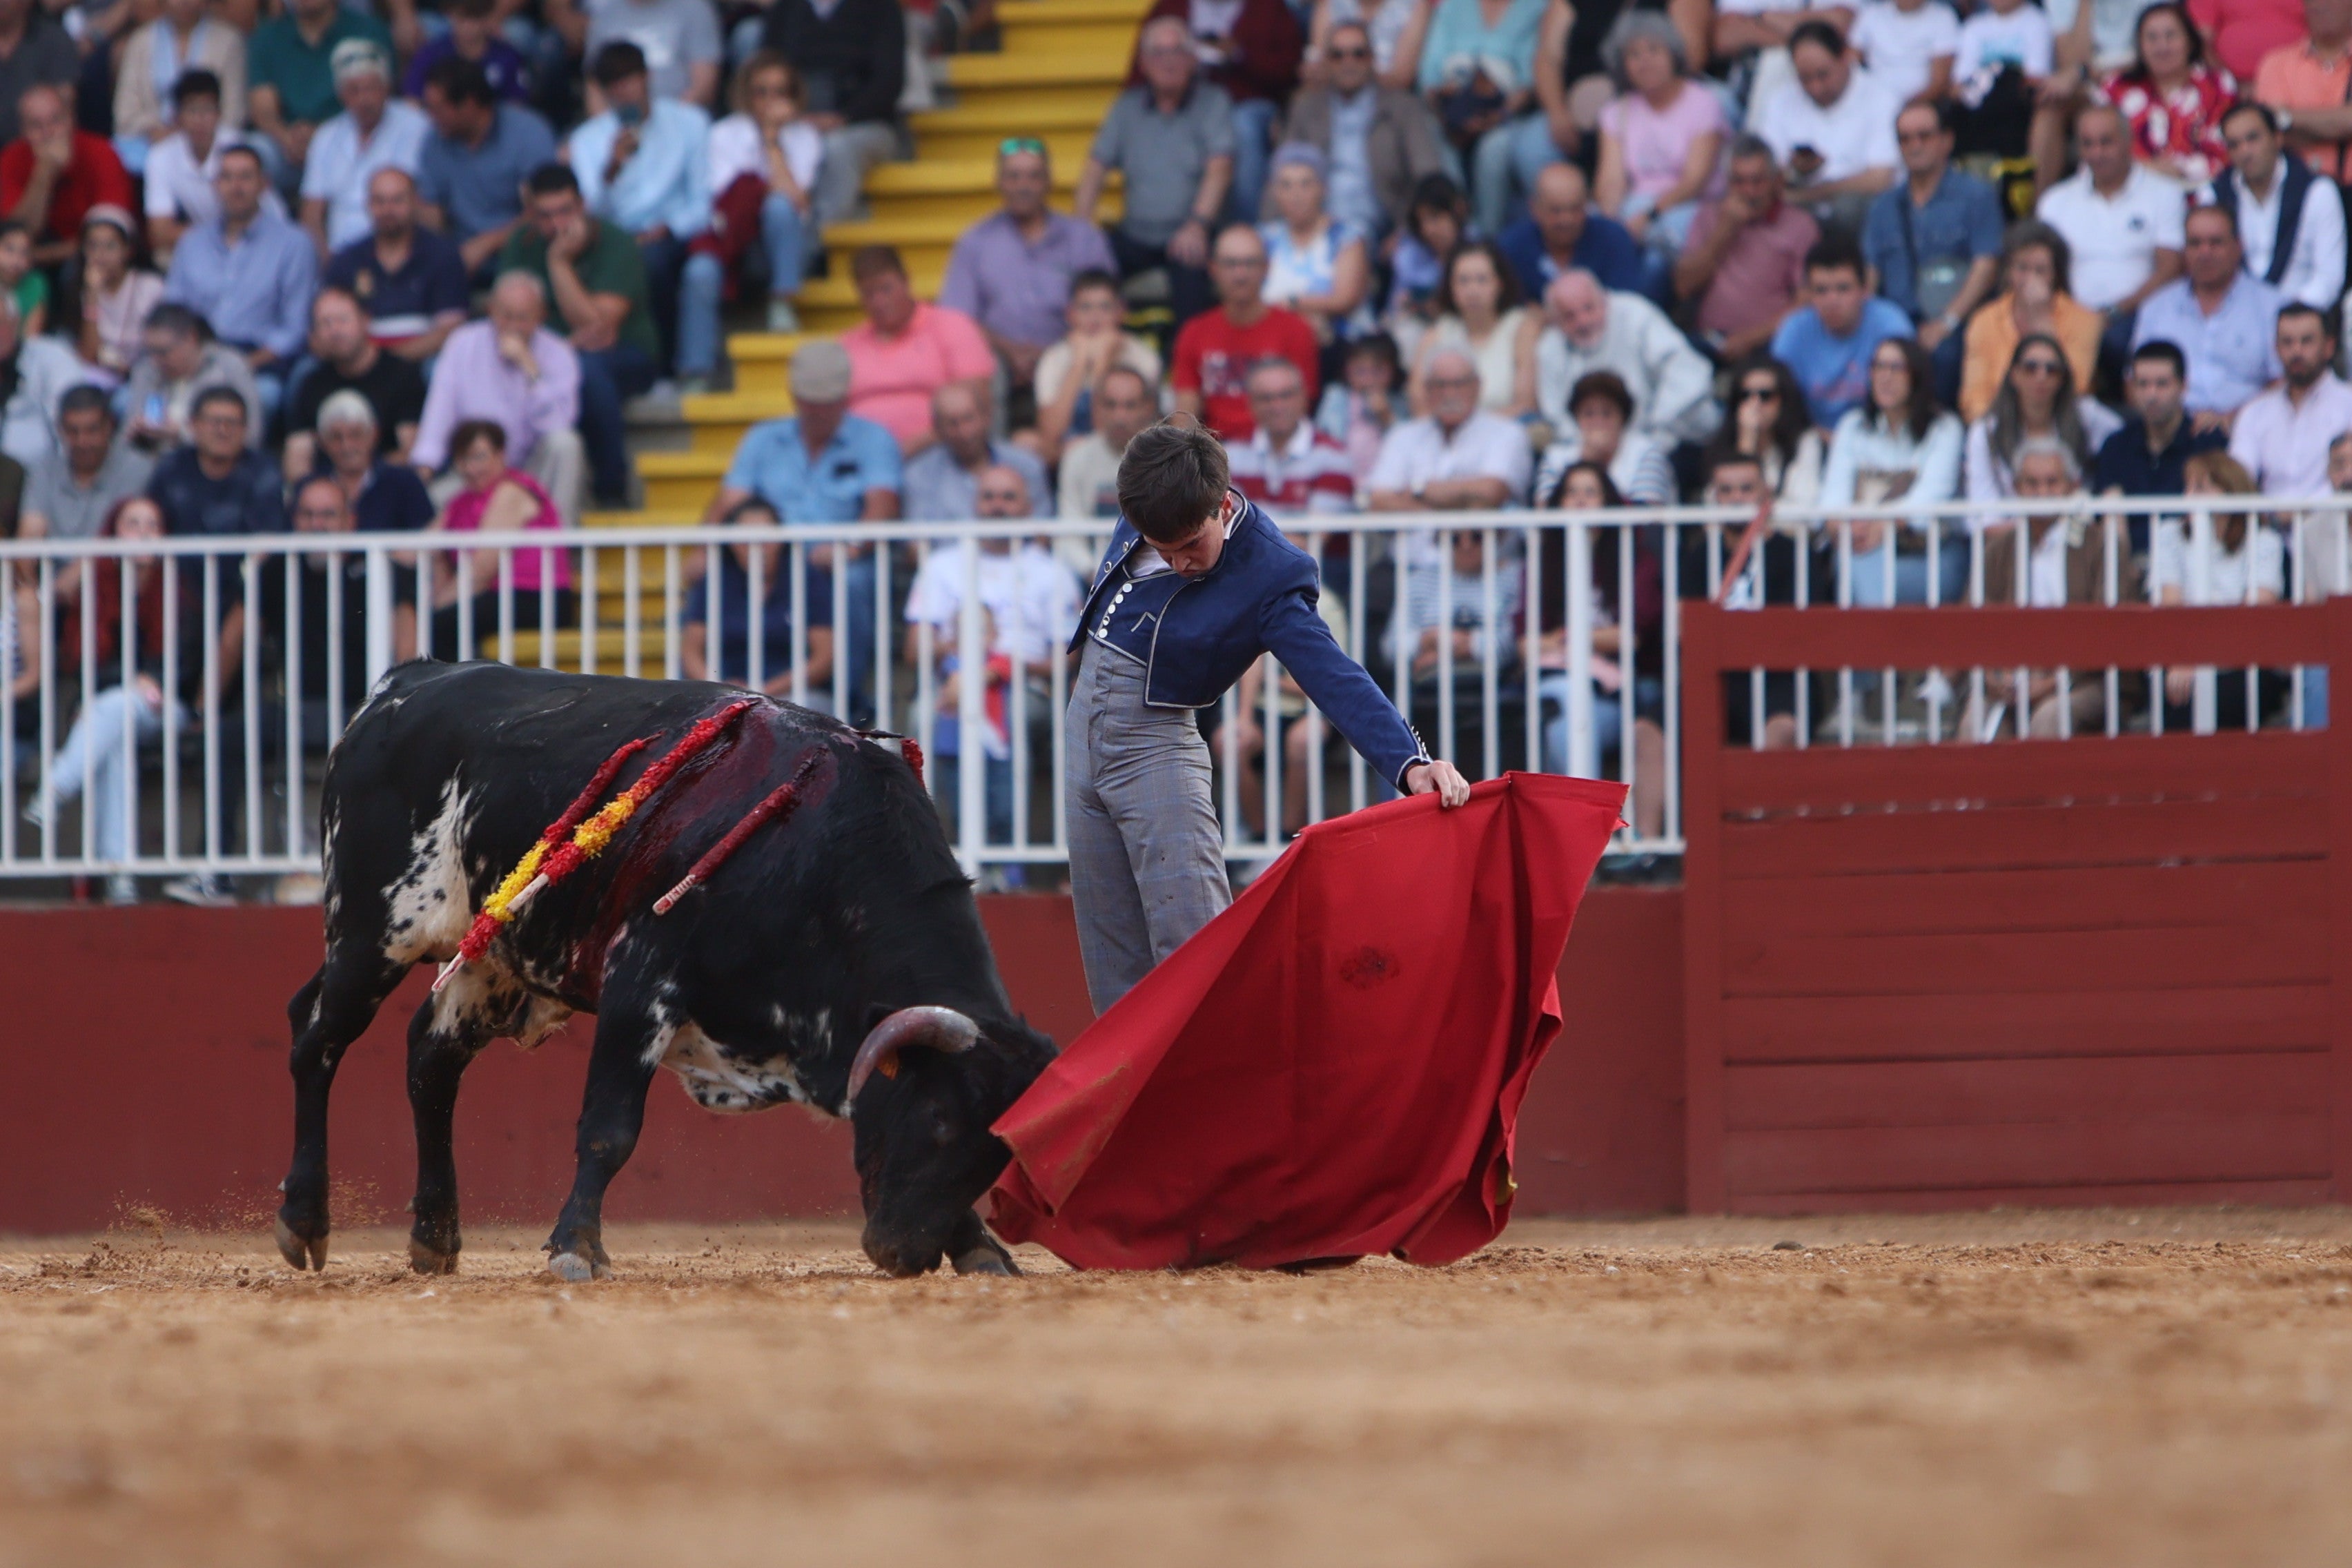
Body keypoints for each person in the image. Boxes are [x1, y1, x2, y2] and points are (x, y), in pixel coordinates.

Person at [1064, 418, 1471, 1012]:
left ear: (1223, 506)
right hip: (1083, 724)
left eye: (1190, 547)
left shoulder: (1271, 572)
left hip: (1157, 742)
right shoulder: (1156, 483)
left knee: (1197, 954)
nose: (1177, 563)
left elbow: (1333, 673)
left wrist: (1411, 763)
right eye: (1162, 548)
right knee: (1111, 960)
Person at [23, 495, 227, 901]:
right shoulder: (98, 590)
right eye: (132, 525)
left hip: (168, 707)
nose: (143, 535)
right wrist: (130, 681)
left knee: (119, 706)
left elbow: (182, 665)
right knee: (116, 725)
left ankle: (58, 787)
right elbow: (84, 665)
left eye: (152, 525)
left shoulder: (181, 588)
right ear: (113, 534)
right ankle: (121, 876)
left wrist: (143, 681)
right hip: (112, 712)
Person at [703, 340, 901, 714]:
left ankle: (849, 697)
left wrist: (850, 547)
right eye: (809, 401)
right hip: (771, 557)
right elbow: (729, 502)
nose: (817, 411)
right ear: (795, 396)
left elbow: (883, 505)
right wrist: (702, 552)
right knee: (713, 577)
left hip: (837, 558)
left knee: (854, 581)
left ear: (845, 398)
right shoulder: (763, 438)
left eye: (825, 402)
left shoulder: (873, 439)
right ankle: (712, 695)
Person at [905, 461, 1079, 881]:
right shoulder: (943, 564)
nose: (997, 506)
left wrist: (1005, 669)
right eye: (989, 497)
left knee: (1012, 715)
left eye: (1008, 497)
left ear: (1028, 507)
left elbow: (1068, 657)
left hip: (1027, 688)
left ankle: (1007, 856)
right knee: (922, 716)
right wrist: (962, 659)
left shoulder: (1051, 571)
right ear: (974, 504)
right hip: (953, 685)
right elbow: (914, 648)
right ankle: (953, 849)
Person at [498, 161, 658, 508]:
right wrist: (563, 346)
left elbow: (599, 330)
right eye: (545, 215)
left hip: (626, 354)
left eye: (565, 211)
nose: (557, 224)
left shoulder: (615, 242)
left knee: (587, 371)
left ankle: (610, 489)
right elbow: (506, 319)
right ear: (530, 214)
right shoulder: (521, 245)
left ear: (582, 205)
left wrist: (559, 263)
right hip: (545, 353)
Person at [1966, 440, 2140, 741]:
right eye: (2031, 484)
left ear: (2073, 486)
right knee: (1975, 724)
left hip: (2086, 680)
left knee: (2048, 719)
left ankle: (2050, 791)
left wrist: (2049, 684)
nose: (2042, 493)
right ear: (2017, 488)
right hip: (2012, 679)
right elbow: (1973, 624)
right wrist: (1993, 677)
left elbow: (2107, 634)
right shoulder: (1999, 549)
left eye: (2052, 482)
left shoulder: (2101, 545)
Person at [1079, 16, 1237, 329]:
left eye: (1177, 52)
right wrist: (1082, 225)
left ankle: (1184, 367)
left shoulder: (1213, 102)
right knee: (1086, 266)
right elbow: (1095, 167)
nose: (1169, 61)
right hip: (1135, 233)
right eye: (1158, 53)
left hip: (1188, 232)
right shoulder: (1126, 107)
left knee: (1193, 276)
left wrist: (1198, 225)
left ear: (1192, 60)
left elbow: (1221, 167)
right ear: (1144, 63)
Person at [1534, 460, 1667, 828]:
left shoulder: (1632, 557)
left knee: (1567, 723)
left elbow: (1631, 634)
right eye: (1571, 493)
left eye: (1590, 492)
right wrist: (1588, 641)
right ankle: (1591, 834)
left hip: (1614, 693)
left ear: (1608, 502)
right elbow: (1524, 642)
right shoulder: (1543, 558)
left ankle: (1584, 834)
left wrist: (1565, 640)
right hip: (1552, 687)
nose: (1579, 501)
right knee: (1562, 712)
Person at [569, 41, 711, 382]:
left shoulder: (690, 123)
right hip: (613, 240)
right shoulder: (587, 140)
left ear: (646, 78)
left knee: (656, 263)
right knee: (636, 260)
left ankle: (670, 367)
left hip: (676, 233)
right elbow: (588, 215)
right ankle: (654, 369)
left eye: (629, 80)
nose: (624, 92)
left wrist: (669, 228)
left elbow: (703, 201)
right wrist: (612, 168)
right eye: (614, 86)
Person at [939, 138, 1116, 396]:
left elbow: (1107, 307)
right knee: (977, 363)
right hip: (999, 359)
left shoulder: (1083, 237)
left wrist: (1053, 354)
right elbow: (958, 319)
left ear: (1048, 182)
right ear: (999, 182)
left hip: (1073, 353)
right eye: (1014, 177)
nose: (1023, 186)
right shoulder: (975, 242)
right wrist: (1011, 351)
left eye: (1034, 176)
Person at [410, 272, 586, 524]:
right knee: (429, 500)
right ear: (491, 310)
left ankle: (558, 545)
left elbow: (558, 425)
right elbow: (440, 412)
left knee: (566, 444)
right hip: (475, 471)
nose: (512, 325)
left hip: (533, 471)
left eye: (522, 317)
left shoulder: (559, 353)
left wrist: (530, 369)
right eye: (505, 315)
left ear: (541, 315)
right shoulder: (463, 343)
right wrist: (424, 467)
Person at [161, 144, 317, 419]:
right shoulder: (191, 243)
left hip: (259, 363)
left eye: (246, 177)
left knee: (265, 396)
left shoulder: (293, 244)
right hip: (195, 359)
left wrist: (241, 364)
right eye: (227, 178)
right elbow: (172, 315)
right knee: (128, 402)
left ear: (264, 184)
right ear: (215, 185)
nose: (236, 187)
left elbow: (294, 329)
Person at [1860, 101, 2004, 400]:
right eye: (1905, 139)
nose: (1915, 146)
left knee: (1945, 357)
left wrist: (1946, 323)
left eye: (1924, 136)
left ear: (1946, 141)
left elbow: (1986, 267)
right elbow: (1870, 276)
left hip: (1957, 321)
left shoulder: (1976, 195)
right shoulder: (1882, 206)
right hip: (1896, 323)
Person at [2034, 102, 2186, 366]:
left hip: (2139, 315)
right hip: (2068, 316)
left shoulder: (2164, 194)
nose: (2097, 153)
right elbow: (2039, 269)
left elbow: (2170, 269)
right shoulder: (2055, 201)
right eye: (2088, 144)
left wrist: (2115, 312)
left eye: (2106, 142)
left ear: (2129, 142)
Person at [1820, 335, 1966, 606]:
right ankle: (1876, 639)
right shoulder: (1852, 426)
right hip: (1859, 546)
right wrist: (1852, 530)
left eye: (1896, 368)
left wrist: (1885, 525)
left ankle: (1871, 641)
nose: (1885, 377)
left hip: (1929, 554)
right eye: (1879, 367)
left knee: (1866, 573)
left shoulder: (1944, 428)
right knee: (1858, 563)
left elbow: (1928, 501)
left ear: (1917, 375)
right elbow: (1833, 500)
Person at [1137, 0, 1304, 226]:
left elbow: (1289, 70)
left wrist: (1239, 54)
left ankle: (1247, 231)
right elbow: (1141, 66)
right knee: (1156, 121)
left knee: (1242, 127)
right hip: (1185, 104)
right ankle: (1163, 227)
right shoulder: (1171, 7)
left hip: (1246, 105)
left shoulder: (1267, 7)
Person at [1277, 19, 1445, 242]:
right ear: (1326, 62)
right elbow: (1281, 173)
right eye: (1338, 55)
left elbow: (1428, 175)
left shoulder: (1403, 107)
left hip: (1383, 225)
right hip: (1313, 221)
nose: (1349, 62)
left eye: (1359, 54)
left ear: (1373, 59)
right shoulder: (1306, 108)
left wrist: (1407, 231)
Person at [688, 51, 819, 335]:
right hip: (737, 238)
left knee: (780, 208)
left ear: (793, 96)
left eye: (780, 92)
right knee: (699, 270)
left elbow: (798, 201)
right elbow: (728, 197)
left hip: (788, 242)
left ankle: (782, 300)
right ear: (747, 95)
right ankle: (696, 372)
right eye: (761, 92)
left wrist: (772, 140)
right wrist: (768, 185)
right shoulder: (723, 134)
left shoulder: (805, 136)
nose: (770, 101)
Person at [2156, 449, 2287, 731]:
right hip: (2184, 657)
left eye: (2200, 488)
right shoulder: (2169, 535)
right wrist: (2186, 660)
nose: (2188, 498)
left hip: (2243, 661)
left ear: (2231, 492)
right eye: (2187, 487)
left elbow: (2254, 618)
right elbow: (2171, 608)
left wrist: (2200, 661)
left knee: (2231, 696)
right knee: (2172, 696)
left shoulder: (2264, 542)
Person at [423, 418, 574, 653]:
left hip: (536, 597)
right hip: (498, 596)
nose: (471, 468)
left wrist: (434, 609)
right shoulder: (461, 502)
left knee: (442, 624)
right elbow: (422, 548)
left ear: (500, 454)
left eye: (479, 457)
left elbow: (481, 571)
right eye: (463, 459)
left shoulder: (511, 491)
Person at [1591, 10, 1725, 257]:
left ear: (1672, 54)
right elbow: (1611, 180)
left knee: (1657, 253)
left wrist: (1648, 217)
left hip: (1687, 207)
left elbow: (1695, 180)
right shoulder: (1615, 112)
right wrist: (1612, 225)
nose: (1645, 61)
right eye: (1634, 54)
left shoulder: (1704, 103)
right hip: (1634, 206)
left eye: (1654, 50)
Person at [757, 0, 903, 227]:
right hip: (793, 122)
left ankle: (821, 245)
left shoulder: (881, 7)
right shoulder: (786, 9)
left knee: (837, 149)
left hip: (863, 125)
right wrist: (789, 113)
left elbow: (889, 83)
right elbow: (765, 69)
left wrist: (842, 118)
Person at [1675, 135, 1818, 365]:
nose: (1749, 191)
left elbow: (1806, 302)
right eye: (1739, 182)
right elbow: (1684, 287)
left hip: (1770, 344)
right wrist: (1724, 231)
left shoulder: (1800, 226)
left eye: (1758, 181)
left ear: (1776, 181)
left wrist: (1749, 339)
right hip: (1709, 342)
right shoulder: (1707, 217)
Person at [839, 245, 994, 456]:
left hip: (941, 452)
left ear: (906, 280)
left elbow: (975, 408)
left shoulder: (952, 326)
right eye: (869, 294)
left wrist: (904, 450)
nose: (879, 302)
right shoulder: (847, 344)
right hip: (861, 457)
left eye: (886, 289)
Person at [2132, 205, 2286, 418]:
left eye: (2216, 243)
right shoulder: (2156, 308)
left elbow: (2284, 383)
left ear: (2238, 247)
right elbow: (2132, 382)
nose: (2205, 253)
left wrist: (2231, 419)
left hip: (2247, 431)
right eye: (2195, 244)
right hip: (2173, 430)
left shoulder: (2271, 307)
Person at [1172, 224, 1322, 440]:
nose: (1240, 274)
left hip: (1277, 451)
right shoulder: (1194, 332)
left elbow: (1300, 409)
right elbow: (1184, 416)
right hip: (1215, 456)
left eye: (1250, 263)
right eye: (1230, 264)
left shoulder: (1296, 330)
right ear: (1213, 269)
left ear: (1267, 268)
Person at [1534, 267, 1718, 442]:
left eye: (1589, 308)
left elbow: (1681, 371)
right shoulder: (1550, 346)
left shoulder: (1635, 314)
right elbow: (1555, 413)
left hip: (1666, 431)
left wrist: (1650, 430)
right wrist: (1593, 444)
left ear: (1605, 299)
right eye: (1569, 316)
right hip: (1590, 446)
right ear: (1556, 321)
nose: (1583, 322)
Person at [416, 55, 559, 280]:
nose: (431, 118)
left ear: (469, 104)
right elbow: (430, 209)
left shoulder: (528, 133)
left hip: (524, 256)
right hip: (460, 259)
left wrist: (487, 243)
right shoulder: (434, 141)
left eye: (438, 109)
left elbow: (546, 209)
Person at [1752, 20, 1901, 235]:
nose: (1815, 87)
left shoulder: (1882, 99)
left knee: (1848, 209)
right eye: (1805, 78)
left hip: (1856, 213)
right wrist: (1797, 171)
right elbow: (1766, 170)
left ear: (1846, 57)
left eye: (1823, 75)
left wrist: (1810, 194)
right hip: (1798, 206)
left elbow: (1881, 178)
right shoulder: (1781, 101)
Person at [2199, 101, 2348, 313]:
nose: (2245, 151)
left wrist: (2283, 317)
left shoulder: (2317, 191)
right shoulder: (2214, 195)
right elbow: (2208, 271)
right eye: (2234, 144)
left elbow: (2329, 279)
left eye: (2253, 138)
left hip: (2301, 319)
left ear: (2277, 138)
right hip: (2235, 318)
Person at [679, 495, 835, 698]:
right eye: (745, 540)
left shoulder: (806, 579)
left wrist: (765, 692)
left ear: (780, 540)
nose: (756, 548)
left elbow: (823, 658)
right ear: (732, 545)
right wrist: (722, 689)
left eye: (765, 539)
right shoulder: (715, 581)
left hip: (793, 696)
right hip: (723, 697)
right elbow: (691, 651)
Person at [1417, 0, 1549, 236]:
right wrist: (1450, 115)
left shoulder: (1535, 8)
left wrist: (1494, 117)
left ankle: (1489, 238)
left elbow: (1530, 80)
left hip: (1505, 113)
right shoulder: (1452, 7)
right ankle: (1457, 225)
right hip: (1451, 110)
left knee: (1495, 147)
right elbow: (1429, 75)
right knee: (1430, 131)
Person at [1964, 330, 2121, 520]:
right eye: (2031, 368)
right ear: (2014, 374)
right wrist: (2039, 533)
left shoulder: (2086, 415)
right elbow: (1984, 515)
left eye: (2051, 370)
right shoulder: (1985, 432)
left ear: (2062, 378)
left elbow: (2125, 442)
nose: (2041, 376)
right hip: (2011, 539)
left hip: (2076, 537)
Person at [1957, 221, 2103, 424]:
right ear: (2008, 271)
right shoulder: (1983, 320)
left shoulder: (2086, 321)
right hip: (1999, 424)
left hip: (2061, 423)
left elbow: (2077, 386)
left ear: (2056, 275)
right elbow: (1973, 396)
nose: (2030, 279)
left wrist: (2043, 321)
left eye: (2040, 270)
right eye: (2022, 268)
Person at [298, 40, 430, 259]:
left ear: (386, 87)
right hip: (340, 256)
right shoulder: (327, 135)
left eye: (372, 88)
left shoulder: (416, 125)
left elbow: (423, 203)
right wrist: (328, 264)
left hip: (399, 250)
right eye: (354, 90)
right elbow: (312, 213)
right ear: (341, 95)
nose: (364, 99)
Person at [322, 168, 470, 362]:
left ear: (416, 202)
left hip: (423, 361)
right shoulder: (348, 259)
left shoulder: (442, 255)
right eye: (380, 201)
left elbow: (450, 329)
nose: (388, 210)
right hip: (357, 362)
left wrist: (387, 363)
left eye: (397, 200)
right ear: (368, 205)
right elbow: (326, 323)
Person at [248, 0, 395, 193]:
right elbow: (263, 110)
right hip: (289, 145)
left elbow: (376, 98)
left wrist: (321, 137)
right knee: (256, 153)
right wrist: (288, 139)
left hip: (348, 138)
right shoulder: (268, 36)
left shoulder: (368, 30)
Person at [1771, 234, 1914, 430]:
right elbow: (1779, 401)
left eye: (1843, 289)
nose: (1832, 301)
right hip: (1812, 436)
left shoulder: (1891, 324)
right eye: (1821, 290)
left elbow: (1911, 393)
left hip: (1879, 434)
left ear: (1864, 290)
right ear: (1808, 293)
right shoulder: (1794, 330)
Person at [281, 287, 427, 477]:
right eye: (325, 323)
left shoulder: (402, 375)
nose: (335, 331)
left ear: (365, 321)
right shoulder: (311, 382)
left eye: (343, 320)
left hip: (387, 484)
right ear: (314, 334)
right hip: (328, 489)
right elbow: (297, 457)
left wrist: (358, 478)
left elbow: (412, 452)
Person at [1366, 345, 1533, 509]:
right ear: (1427, 389)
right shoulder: (1402, 435)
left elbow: (1491, 491)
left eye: (1459, 384)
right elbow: (1379, 501)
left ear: (1477, 386)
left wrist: (1418, 490)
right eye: (1440, 385)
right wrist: (1445, 516)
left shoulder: (1507, 432)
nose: (1449, 394)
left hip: (1480, 537)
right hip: (1416, 537)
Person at [2096, 2, 2239, 186]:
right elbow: (2099, 151)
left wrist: (2180, 169)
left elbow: (2226, 153)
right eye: (2152, 38)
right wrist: (2150, 170)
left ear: (2189, 41)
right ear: (2140, 46)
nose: (2162, 46)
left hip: (2202, 193)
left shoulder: (2218, 85)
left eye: (2171, 36)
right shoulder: (2115, 88)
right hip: (2130, 194)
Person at [1030, 268, 1163, 461]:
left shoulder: (1142, 357)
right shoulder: (1054, 358)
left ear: (1121, 312)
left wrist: (1103, 362)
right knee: (1027, 442)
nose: (1095, 317)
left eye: (1105, 307)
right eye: (1086, 308)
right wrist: (1079, 364)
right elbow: (1050, 435)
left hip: (1127, 448)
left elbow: (1109, 431)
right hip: (1064, 450)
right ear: (1070, 314)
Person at [0, 84, 135, 266]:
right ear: (23, 131)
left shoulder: (101, 152)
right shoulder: (11, 159)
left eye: (56, 121)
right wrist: (45, 171)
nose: (48, 133)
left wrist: (40, 256)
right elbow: (18, 235)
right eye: (36, 125)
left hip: (90, 255)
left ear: (71, 120)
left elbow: (109, 238)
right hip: (28, 260)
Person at [2229, 303, 2352, 497]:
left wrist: (2301, 512)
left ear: (2329, 346)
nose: (2296, 351)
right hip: (2267, 524)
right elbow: (2238, 478)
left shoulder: (2348, 404)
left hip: (2333, 521)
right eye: (2287, 342)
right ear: (2276, 348)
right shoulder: (2254, 412)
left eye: (2307, 341)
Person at [1257, 144, 1372, 346]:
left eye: (1306, 184)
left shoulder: (1347, 237)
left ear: (1323, 189)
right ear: (1275, 192)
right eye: (1286, 185)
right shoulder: (1264, 238)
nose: (1296, 194)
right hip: (1273, 343)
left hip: (1339, 342)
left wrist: (1291, 304)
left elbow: (1344, 299)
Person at [1407, 237, 1536, 418]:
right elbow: (1419, 406)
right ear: (1451, 288)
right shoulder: (1436, 334)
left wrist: (1473, 431)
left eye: (1482, 280)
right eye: (1463, 281)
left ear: (1500, 285)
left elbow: (1526, 406)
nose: (1473, 290)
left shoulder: (1522, 328)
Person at [2090, 338, 2226, 504]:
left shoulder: (2209, 445)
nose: (2151, 395)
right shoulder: (2116, 447)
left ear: (2183, 386)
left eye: (2162, 384)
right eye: (2143, 384)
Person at [112, 0, 247, 165]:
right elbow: (125, 111)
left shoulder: (229, 40)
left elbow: (233, 112)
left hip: (210, 139)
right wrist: (156, 131)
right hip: (153, 137)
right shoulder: (140, 40)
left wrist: (199, 131)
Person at [121, 302, 265, 454]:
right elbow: (129, 437)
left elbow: (251, 437)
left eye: (163, 352)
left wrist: (182, 435)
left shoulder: (230, 367)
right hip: (155, 465)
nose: (156, 361)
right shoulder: (147, 370)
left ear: (191, 338)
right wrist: (139, 435)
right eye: (151, 351)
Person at [145, 386, 286, 538]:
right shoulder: (171, 469)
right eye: (214, 422)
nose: (223, 431)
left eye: (232, 423)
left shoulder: (264, 471)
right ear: (193, 425)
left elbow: (268, 534)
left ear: (245, 428)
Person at [144, 69, 253, 268]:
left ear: (219, 113)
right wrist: (219, 235)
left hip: (254, 236)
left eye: (208, 110)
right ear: (177, 117)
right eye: (192, 110)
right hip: (213, 239)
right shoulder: (160, 156)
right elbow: (160, 232)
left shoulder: (237, 146)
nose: (200, 119)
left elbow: (251, 216)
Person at [1225, 355, 1358, 517]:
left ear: (1304, 397)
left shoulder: (1334, 457)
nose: (1277, 406)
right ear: (1250, 403)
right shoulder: (1231, 455)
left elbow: (1314, 537)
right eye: (1266, 398)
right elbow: (1228, 524)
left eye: (1286, 395)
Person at [901, 382, 1052, 522]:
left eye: (969, 419)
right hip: (946, 552)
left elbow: (1042, 533)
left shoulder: (1027, 465)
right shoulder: (920, 474)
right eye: (952, 424)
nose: (963, 432)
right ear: (937, 428)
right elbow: (917, 545)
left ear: (986, 417)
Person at [1497, 162, 1646, 302]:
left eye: (1575, 209)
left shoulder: (1613, 239)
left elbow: (1626, 302)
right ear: (1534, 209)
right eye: (1556, 211)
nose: (1566, 220)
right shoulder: (1512, 247)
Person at [20, 386, 150, 542]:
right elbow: (29, 536)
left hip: (107, 566)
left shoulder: (135, 468)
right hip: (51, 565)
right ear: (60, 429)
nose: (82, 441)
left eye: (92, 430)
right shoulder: (44, 468)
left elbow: (107, 545)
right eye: (73, 431)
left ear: (109, 427)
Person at [1532, 368, 1678, 506]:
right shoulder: (1555, 458)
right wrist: (1587, 460)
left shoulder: (1645, 452)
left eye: (1606, 413)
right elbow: (1545, 517)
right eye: (1589, 414)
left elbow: (1647, 520)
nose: (1598, 422)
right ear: (1577, 419)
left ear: (1623, 418)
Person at [1705, 353, 1825, 505]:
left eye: (1765, 396)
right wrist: (1746, 444)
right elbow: (1712, 502)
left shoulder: (1805, 441)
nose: (1755, 404)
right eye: (1745, 395)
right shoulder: (1724, 442)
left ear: (1783, 400)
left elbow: (1805, 501)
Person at [311, 389, 434, 536]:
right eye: (336, 437)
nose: (347, 446)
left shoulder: (405, 483)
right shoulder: (312, 487)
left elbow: (426, 538)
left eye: (355, 435)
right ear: (322, 442)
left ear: (374, 434)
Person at [2253, 0, 2352, 182]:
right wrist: (2341, 126)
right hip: (2297, 190)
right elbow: (2270, 130)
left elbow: (2277, 121)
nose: (2320, 5)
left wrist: (2288, 117)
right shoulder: (2276, 64)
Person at [66, 206, 164, 380]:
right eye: (93, 246)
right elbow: (88, 355)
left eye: (110, 246)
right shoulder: (82, 288)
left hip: (145, 372)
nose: (100, 255)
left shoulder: (151, 287)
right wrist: (92, 296)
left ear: (128, 250)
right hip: (103, 374)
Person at [1057, 362, 1157, 531]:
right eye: (1111, 405)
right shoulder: (1076, 457)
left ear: (1148, 408)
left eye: (1130, 405)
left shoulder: (1168, 457)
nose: (1119, 417)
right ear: (1096, 407)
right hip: (1092, 557)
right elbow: (1069, 533)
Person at [574, 0, 722, 108]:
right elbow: (594, 85)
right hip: (621, 125)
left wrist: (667, 122)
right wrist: (605, 128)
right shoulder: (605, 16)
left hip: (680, 125)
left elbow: (704, 84)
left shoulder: (695, 8)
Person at [401, 0, 531, 105]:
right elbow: (413, 101)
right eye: (462, 18)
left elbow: (517, 105)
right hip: (440, 130)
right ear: (451, 16)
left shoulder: (507, 56)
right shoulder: (431, 54)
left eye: (475, 18)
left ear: (488, 18)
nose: (469, 26)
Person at [1317, 331, 1404, 486]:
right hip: (1343, 479)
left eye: (1378, 371)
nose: (1368, 379)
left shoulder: (1399, 402)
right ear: (1347, 370)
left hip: (1384, 484)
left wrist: (1387, 418)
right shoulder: (1337, 397)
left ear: (1393, 371)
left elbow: (1407, 448)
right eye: (1360, 371)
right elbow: (1326, 438)